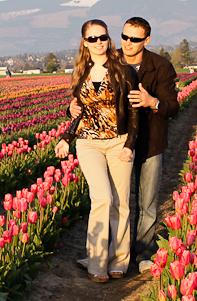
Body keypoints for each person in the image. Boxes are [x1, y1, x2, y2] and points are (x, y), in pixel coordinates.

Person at [70, 17, 178, 264]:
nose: (128, 43)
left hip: (150, 141)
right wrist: (72, 109)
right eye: (124, 37)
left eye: (135, 39)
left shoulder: (161, 66)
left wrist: (153, 102)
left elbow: (173, 107)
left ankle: (141, 254)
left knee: (147, 203)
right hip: (117, 141)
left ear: (147, 40)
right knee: (114, 200)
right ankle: (109, 254)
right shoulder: (109, 60)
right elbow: (88, 98)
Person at [55, 19, 139, 282]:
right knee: (102, 198)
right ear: (84, 42)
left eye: (102, 37)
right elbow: (79, 111)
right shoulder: (81, 71)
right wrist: (66, 137)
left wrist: (130, 144)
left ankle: (119, 261)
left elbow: (135, 110)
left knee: (121, 202)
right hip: (88, 142)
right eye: (92, 38)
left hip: (118, 140)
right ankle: (97, 263)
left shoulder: (123, 69)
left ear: (108, 38)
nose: (98, 42)